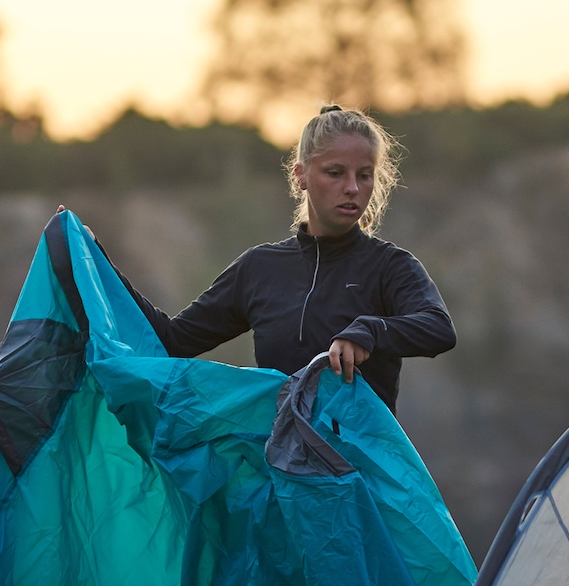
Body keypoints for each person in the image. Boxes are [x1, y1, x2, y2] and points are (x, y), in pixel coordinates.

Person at [126, 104, 453, 412]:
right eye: (335, 173)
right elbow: (172, 340)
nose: (352, 188)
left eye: (364, 175)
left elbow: (438, 329)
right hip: (282, 466)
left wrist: (370, 331)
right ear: (301, 175)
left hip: (363, 469)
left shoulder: (389, 266)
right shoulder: (260, 268)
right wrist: (89, 254)